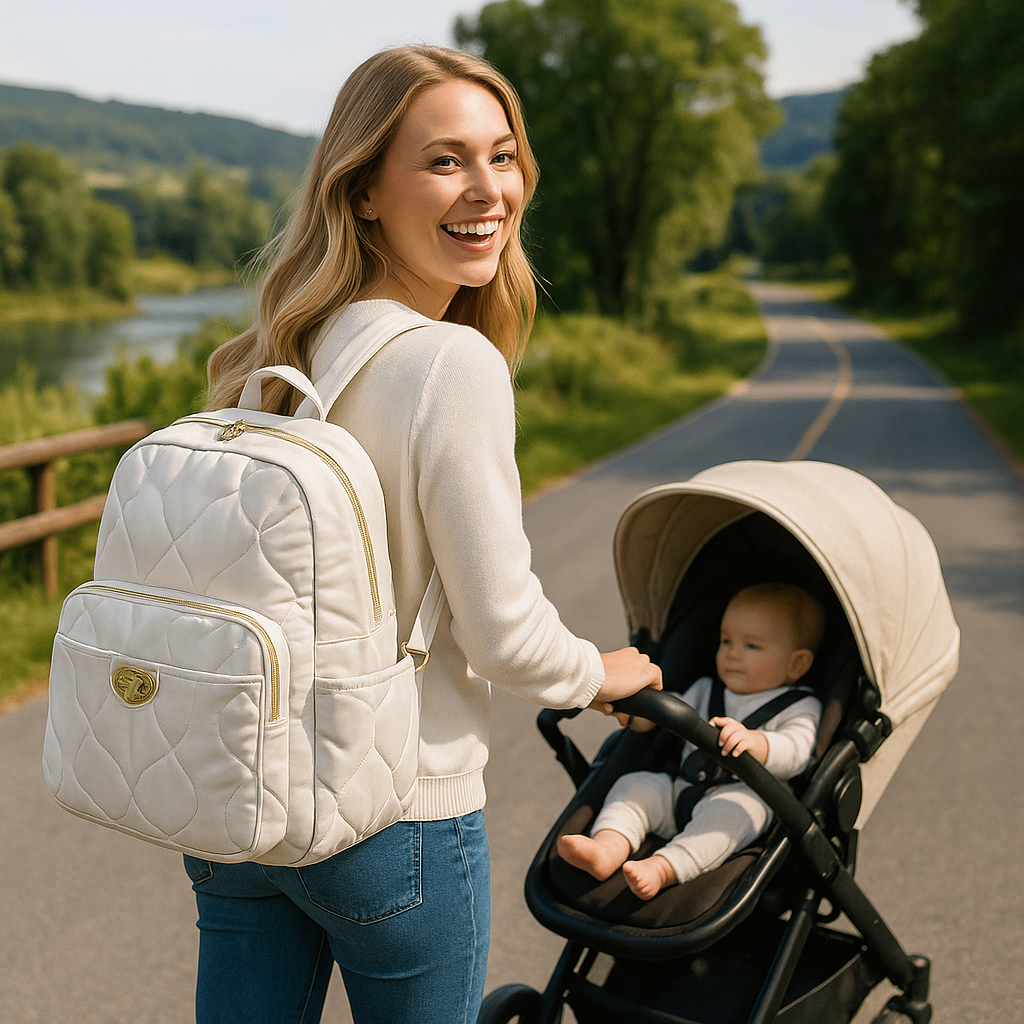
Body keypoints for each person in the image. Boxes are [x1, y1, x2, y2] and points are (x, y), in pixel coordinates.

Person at [184, 45, 661, 1024]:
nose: (488, 189)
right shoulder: (451, 363)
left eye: (502, 155)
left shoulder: (274, 357)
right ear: (362, 191)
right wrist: (604, 675)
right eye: (445, 161)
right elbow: (504, 636)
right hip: (392, 812)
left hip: (242, 804)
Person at [558, 582, 824, 901]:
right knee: (634, 786)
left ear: (796, 664)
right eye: (726, 641)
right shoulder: (706, 689)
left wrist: (758, 743)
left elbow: (798, 752)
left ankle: (663, 867)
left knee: (733, 815)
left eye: (752, 646)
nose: (732, 653)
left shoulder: (800, 706)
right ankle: (607, 848)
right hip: (679, 790)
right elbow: (670, 717)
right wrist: (639, 713)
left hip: (740, 798)